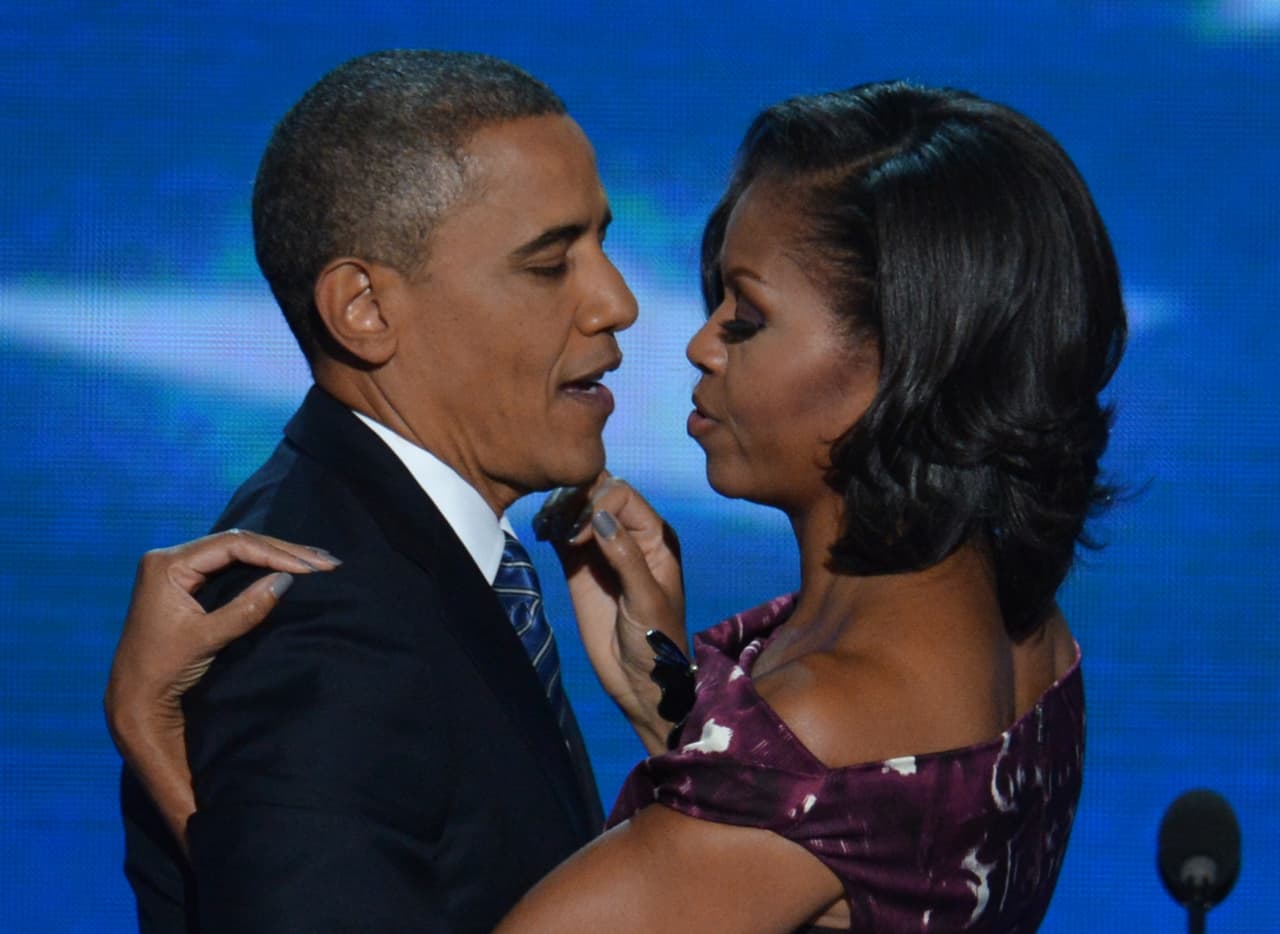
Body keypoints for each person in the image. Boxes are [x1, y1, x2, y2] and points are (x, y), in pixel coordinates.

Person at [109, 79, 1126, 932]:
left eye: (746, 313)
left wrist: (159, 746)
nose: (644, 316)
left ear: (902, 362)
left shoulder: (820, 724)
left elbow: (798, 815)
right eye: (552, 261)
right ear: (364, 308)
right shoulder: (1020, 625)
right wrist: (678, 709)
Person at [109, 49, 641, 933]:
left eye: (602, 244)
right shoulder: (321, 622)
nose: (616, 302)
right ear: (363, 308)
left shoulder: (398, 549)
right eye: (551, 263)